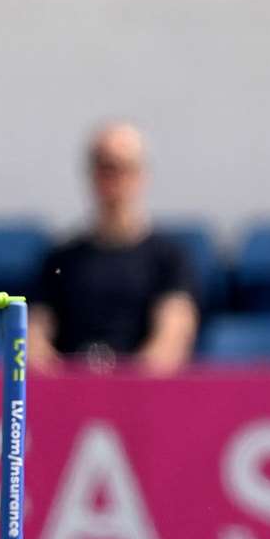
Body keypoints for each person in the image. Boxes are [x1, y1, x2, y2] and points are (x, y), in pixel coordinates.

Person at [28, 122, 198, 375]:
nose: (114, 179)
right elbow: (35, 337)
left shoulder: (169, 258)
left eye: (124, 168)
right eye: (105, 167)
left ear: (142, 174)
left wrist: (120, 391)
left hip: (141, 396)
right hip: (69, 394)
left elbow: (172, 339)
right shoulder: (61, 259)